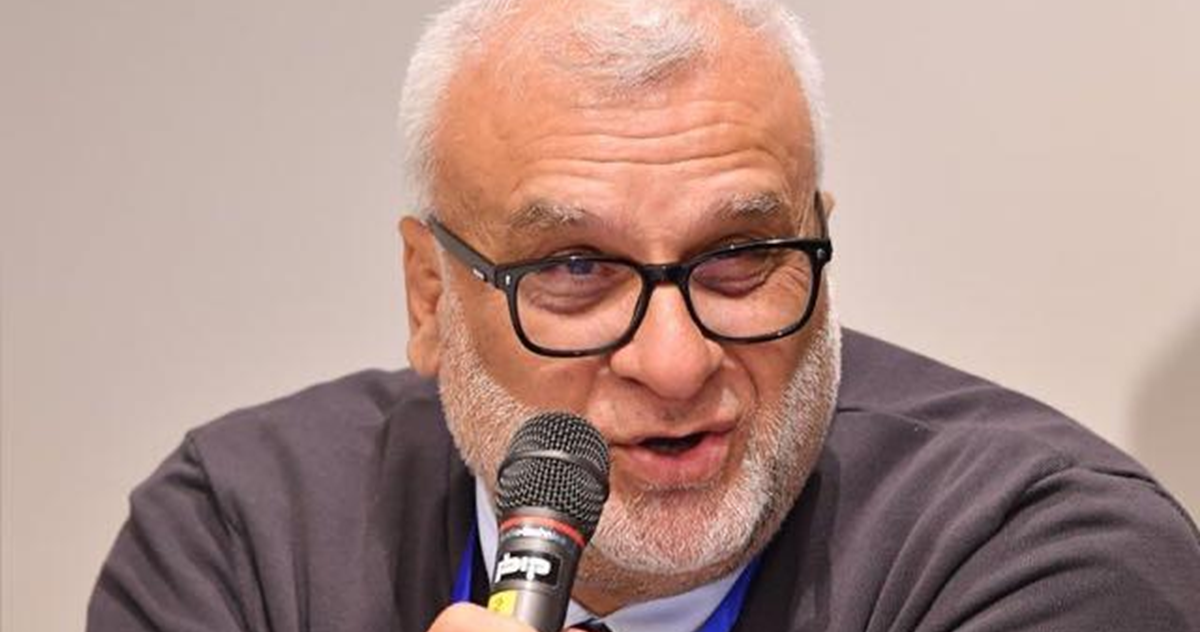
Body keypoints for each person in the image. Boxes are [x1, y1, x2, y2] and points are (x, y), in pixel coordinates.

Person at [87, 0, 1200, 630]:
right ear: (430, 296)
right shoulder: (241, 539)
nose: (674, 363)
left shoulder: (1042, 552)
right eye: (575, 268)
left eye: (741, 258)